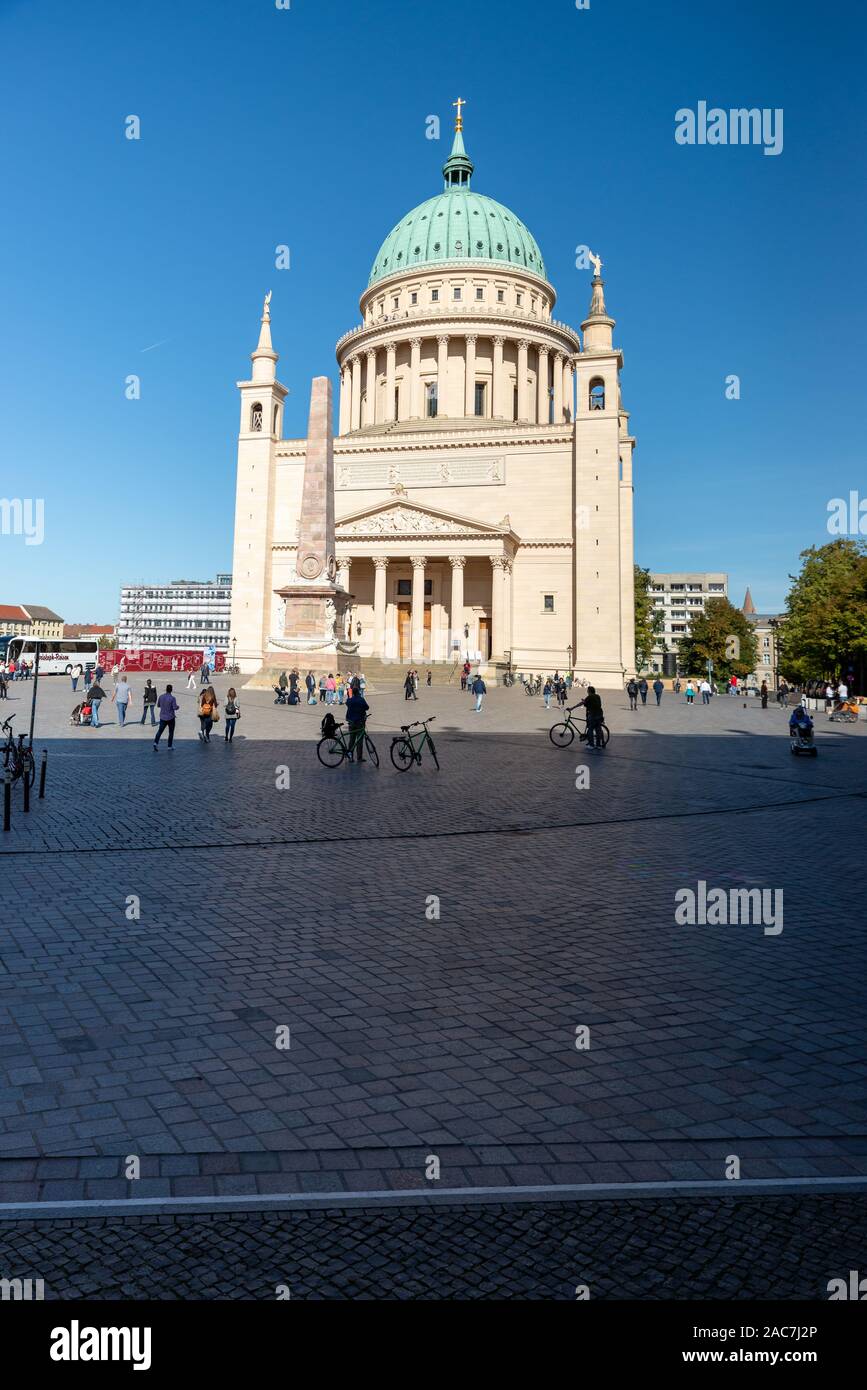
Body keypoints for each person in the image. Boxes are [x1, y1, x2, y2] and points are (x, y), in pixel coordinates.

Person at [345, 682, 370, 762]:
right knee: (359, 741)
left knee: (351, 740)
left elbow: (347, 703)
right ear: (358, 692)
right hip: (360, 722)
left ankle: (350, 757)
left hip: (351, 722)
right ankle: (359, 757)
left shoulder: (350, 700)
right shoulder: (361, 700)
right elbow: (367, 707)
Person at [154, 684, 179, 749]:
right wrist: (178, 707)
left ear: (166, 689)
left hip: (162, 717)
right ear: (171, 690)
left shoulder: (161, 696)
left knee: (160, 731)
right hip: (170, 718)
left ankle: (155, 742)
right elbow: (174, 707)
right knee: (171, 732)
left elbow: (158, 705)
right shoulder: (173, 698)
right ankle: (169, 746)